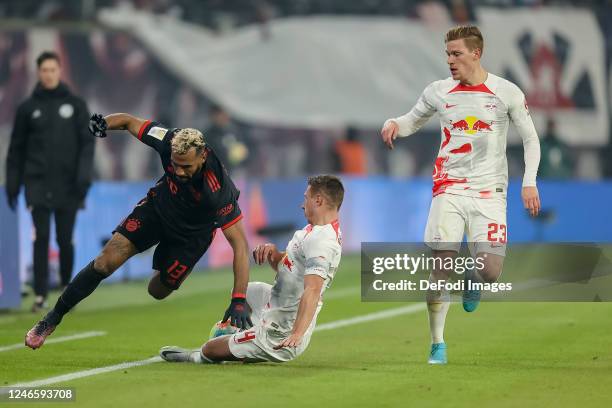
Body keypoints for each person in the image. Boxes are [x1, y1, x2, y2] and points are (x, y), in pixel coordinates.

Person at [380, 25, 541, 364]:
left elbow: (530, 138)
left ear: (476, 53)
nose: (450, 61)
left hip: (489, 193)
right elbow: (412, 120)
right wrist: (394, 123)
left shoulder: (506, 92)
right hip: (448, 188)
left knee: (491, 271)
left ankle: (474, 275)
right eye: (448, 54)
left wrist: (530, 182)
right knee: (441, 267)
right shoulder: (438, 91)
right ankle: (437, 343)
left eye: (457, 54)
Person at [24, 112, 252, 349]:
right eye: (175, 164)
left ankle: (164, 257)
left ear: (203, 156)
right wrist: (102, 124)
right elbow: (128, 122)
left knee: (157, 291)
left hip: (191, 237)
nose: (179, 171)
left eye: (186, 167)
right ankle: (51, 318)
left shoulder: (218, 189)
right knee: (104, 262)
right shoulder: (169, 140)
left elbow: (240, 246)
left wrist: (238, 299)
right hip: (157, 211)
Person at [159, 175, 343, 364]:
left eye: (306, 198)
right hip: (279, 303)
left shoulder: (323, 241)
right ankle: (243, 340)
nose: (302, 204)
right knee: (243, 292)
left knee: (210, 349)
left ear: (318, 200)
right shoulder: (312, 231)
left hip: (281, 329)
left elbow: (312, 289)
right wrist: (273, 254)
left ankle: (199, 355)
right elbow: (288, 267)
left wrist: (296, 334)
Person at [5, 51, 94, 312]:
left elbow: (87, 145)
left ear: (59, 71)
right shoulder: (27, 108)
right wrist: (13, 183)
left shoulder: (76, 105)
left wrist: (83, 177)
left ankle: (66, 288)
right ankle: (41, 295)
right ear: (38, 73)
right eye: (44, 70)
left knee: (64, 239)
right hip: (37, 185)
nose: (49, 74)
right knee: (40, 237)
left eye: (53, 70)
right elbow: (16, 149)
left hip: (69, 185)